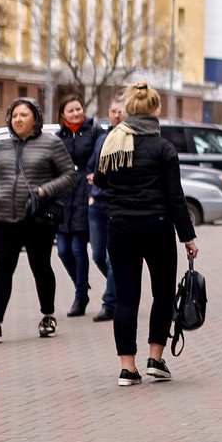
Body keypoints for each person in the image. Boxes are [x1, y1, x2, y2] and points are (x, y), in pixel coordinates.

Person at [95, 82, 197, 386]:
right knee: (162, 293)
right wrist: (188, 237)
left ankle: (127, 368)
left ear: (129, 109)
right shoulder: (163, 147)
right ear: (155, 109)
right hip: (157, 226)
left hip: (120, 226)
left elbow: (100, 181)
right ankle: (155, 359)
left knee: (126, 298)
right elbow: (175, 197)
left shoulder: (114, 142)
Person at [0, 98, 77, 342]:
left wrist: (44, 190)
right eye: (14, 115)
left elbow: (69, 175)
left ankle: (48, 316)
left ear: (36, 119)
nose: (17, 119)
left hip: (36, 219)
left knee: (40, 267)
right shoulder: (3, 146)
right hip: (4, 218)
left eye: (23, 115)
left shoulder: (51, 143)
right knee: (2, 270)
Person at [51, 95, 105, 315]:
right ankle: (81, 285)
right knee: (63, 251)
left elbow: (100, 160)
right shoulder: (58, 137)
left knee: (78, 249)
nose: (76, 113)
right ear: (62, 114)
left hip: (85, 193)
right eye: (71, 110)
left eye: (78, 109)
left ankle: (80, 295)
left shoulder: (94, 132)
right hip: (64, 197)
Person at [94, 95, 127, 321]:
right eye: (114, 111)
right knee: (97, 255)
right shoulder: (102, 139)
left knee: (110, 258)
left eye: (121, 111)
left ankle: (110, 303)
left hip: (117, 204)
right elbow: (93, 167)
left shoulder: (129, 140)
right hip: (97, 203)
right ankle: (122, 290)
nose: (117, 115)